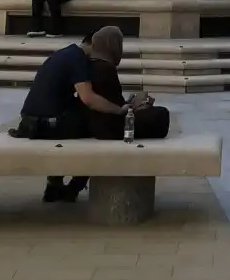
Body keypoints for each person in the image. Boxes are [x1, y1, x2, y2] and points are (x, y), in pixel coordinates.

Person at [11, 26, 168, 201]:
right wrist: (123, 109)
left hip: (32, 122)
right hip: (45, 124)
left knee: (95, 122)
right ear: (92, 44)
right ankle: (72, 187)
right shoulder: (79, 60)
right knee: (99, 128)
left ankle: (56, 185)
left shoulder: (66, 54)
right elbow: (89, 98)